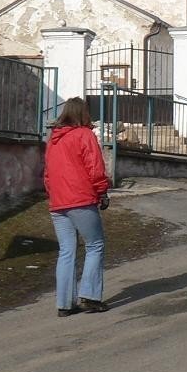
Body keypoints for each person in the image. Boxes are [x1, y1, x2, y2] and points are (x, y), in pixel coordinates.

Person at [43, 97, 112, 316]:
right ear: (83, 113)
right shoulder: (84, 135)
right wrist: (102, 192)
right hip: (81, 199)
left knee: (66, 250)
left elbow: (47, 174)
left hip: (58, 202)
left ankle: (64, 304)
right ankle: (89, 297)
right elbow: (95, 168)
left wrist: (54, 194)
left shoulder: (54, 139)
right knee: (95, 245)